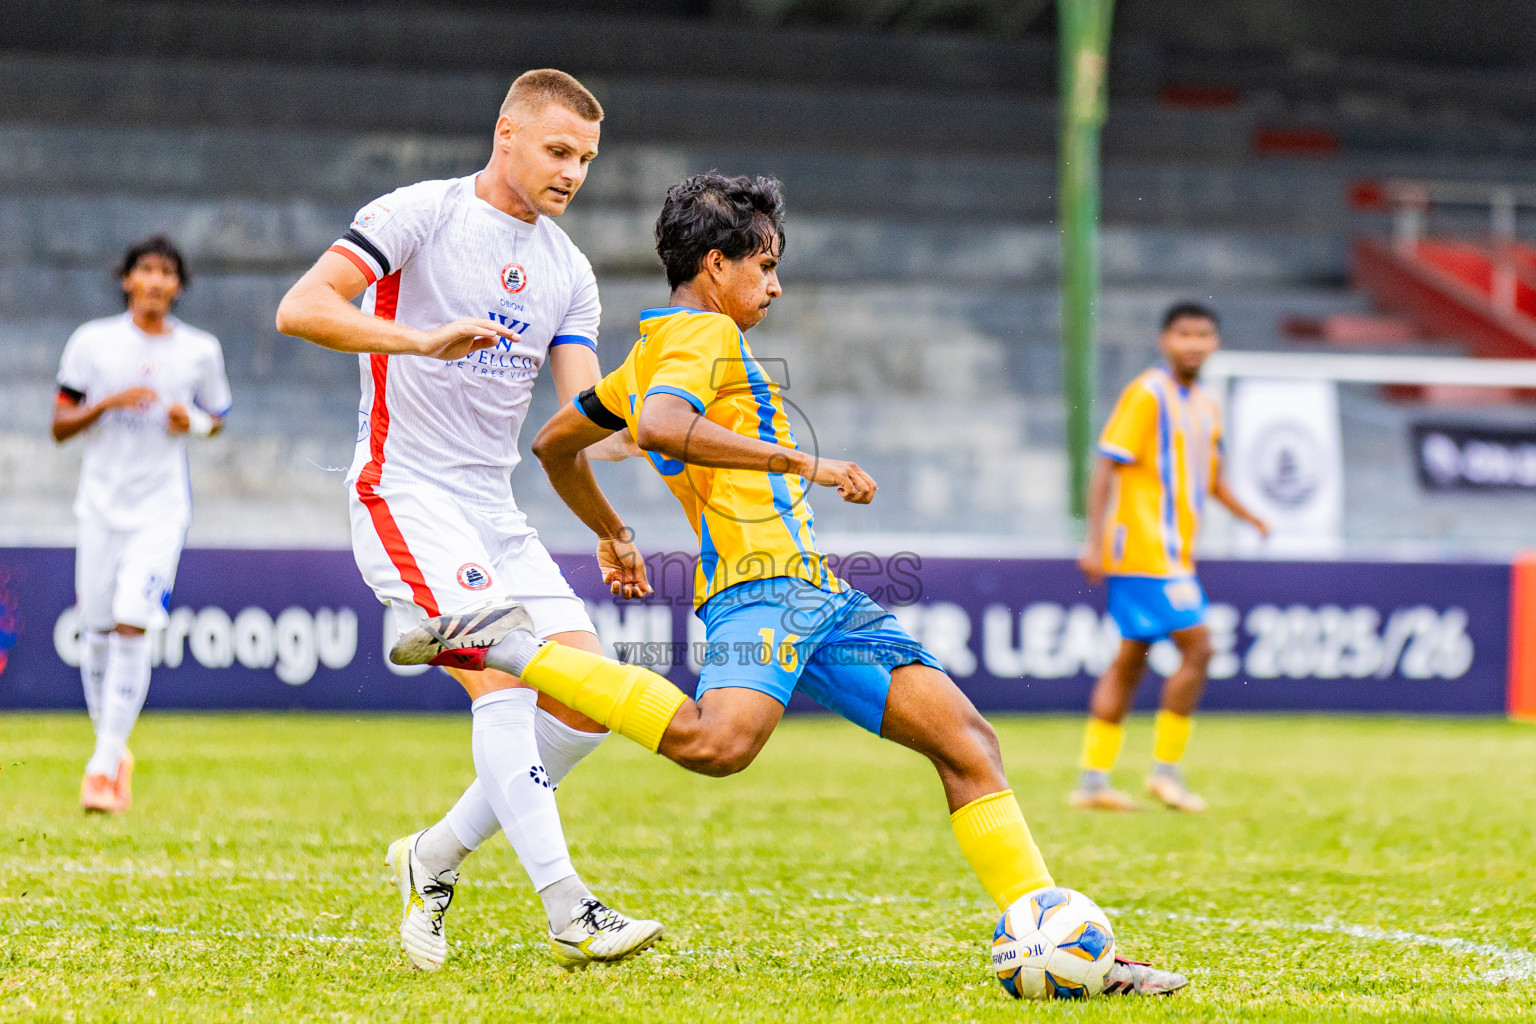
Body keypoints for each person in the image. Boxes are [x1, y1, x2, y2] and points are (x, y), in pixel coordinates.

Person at [391, 173, 1188, 996]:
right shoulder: (699, 338)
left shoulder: (654, 349)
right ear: (713, 264)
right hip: (759, 590)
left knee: (968, 744)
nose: (773, 285)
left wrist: (612, 532)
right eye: (764, 265)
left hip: (818, 594)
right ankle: (507, 644)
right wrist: (803, 460)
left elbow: (557, 445)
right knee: (715, 743)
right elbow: (661, 429)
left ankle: (1057, 946)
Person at [274, 68, 658, 972]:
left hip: (495, 510)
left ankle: (432, 856)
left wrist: (659, 429)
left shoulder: (568, 269)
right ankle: (570, 910)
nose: (573, 173)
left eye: (587, 159)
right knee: (507, 683)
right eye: (559, 150)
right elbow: (302, 309)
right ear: (507, 134)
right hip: (403, 489)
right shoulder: (419, 213)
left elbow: (580, 423)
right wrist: (418, 337)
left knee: (589, 696)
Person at [53, 236, 231, 815]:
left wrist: (195, 423)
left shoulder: (200, 351)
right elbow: (59, 424)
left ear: (179, 285)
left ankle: (102, 767)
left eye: (167, 272)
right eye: (145, 270)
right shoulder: (93, 342)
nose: (155, 281)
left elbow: (218, 418)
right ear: (127, 279)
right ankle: (113, 749)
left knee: (134, 622)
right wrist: (107, 404)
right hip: (100, 508)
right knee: (98, 630)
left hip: (161, 510)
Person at [1071, 303, 1269, 813]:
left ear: (1216, 343)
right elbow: (1107, 466)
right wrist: (1094, 540)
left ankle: (1094, 782)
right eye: (1184, 334)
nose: (1194, 343)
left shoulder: (1206, 404)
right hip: (1144, 550)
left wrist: (1250, 517)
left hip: (1175, 552)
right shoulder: (1147, 393)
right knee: (1199, 649)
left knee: (1130, 660)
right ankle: (1166, 772)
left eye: (1204, 334)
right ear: (1165, 340)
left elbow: (1212, 479)